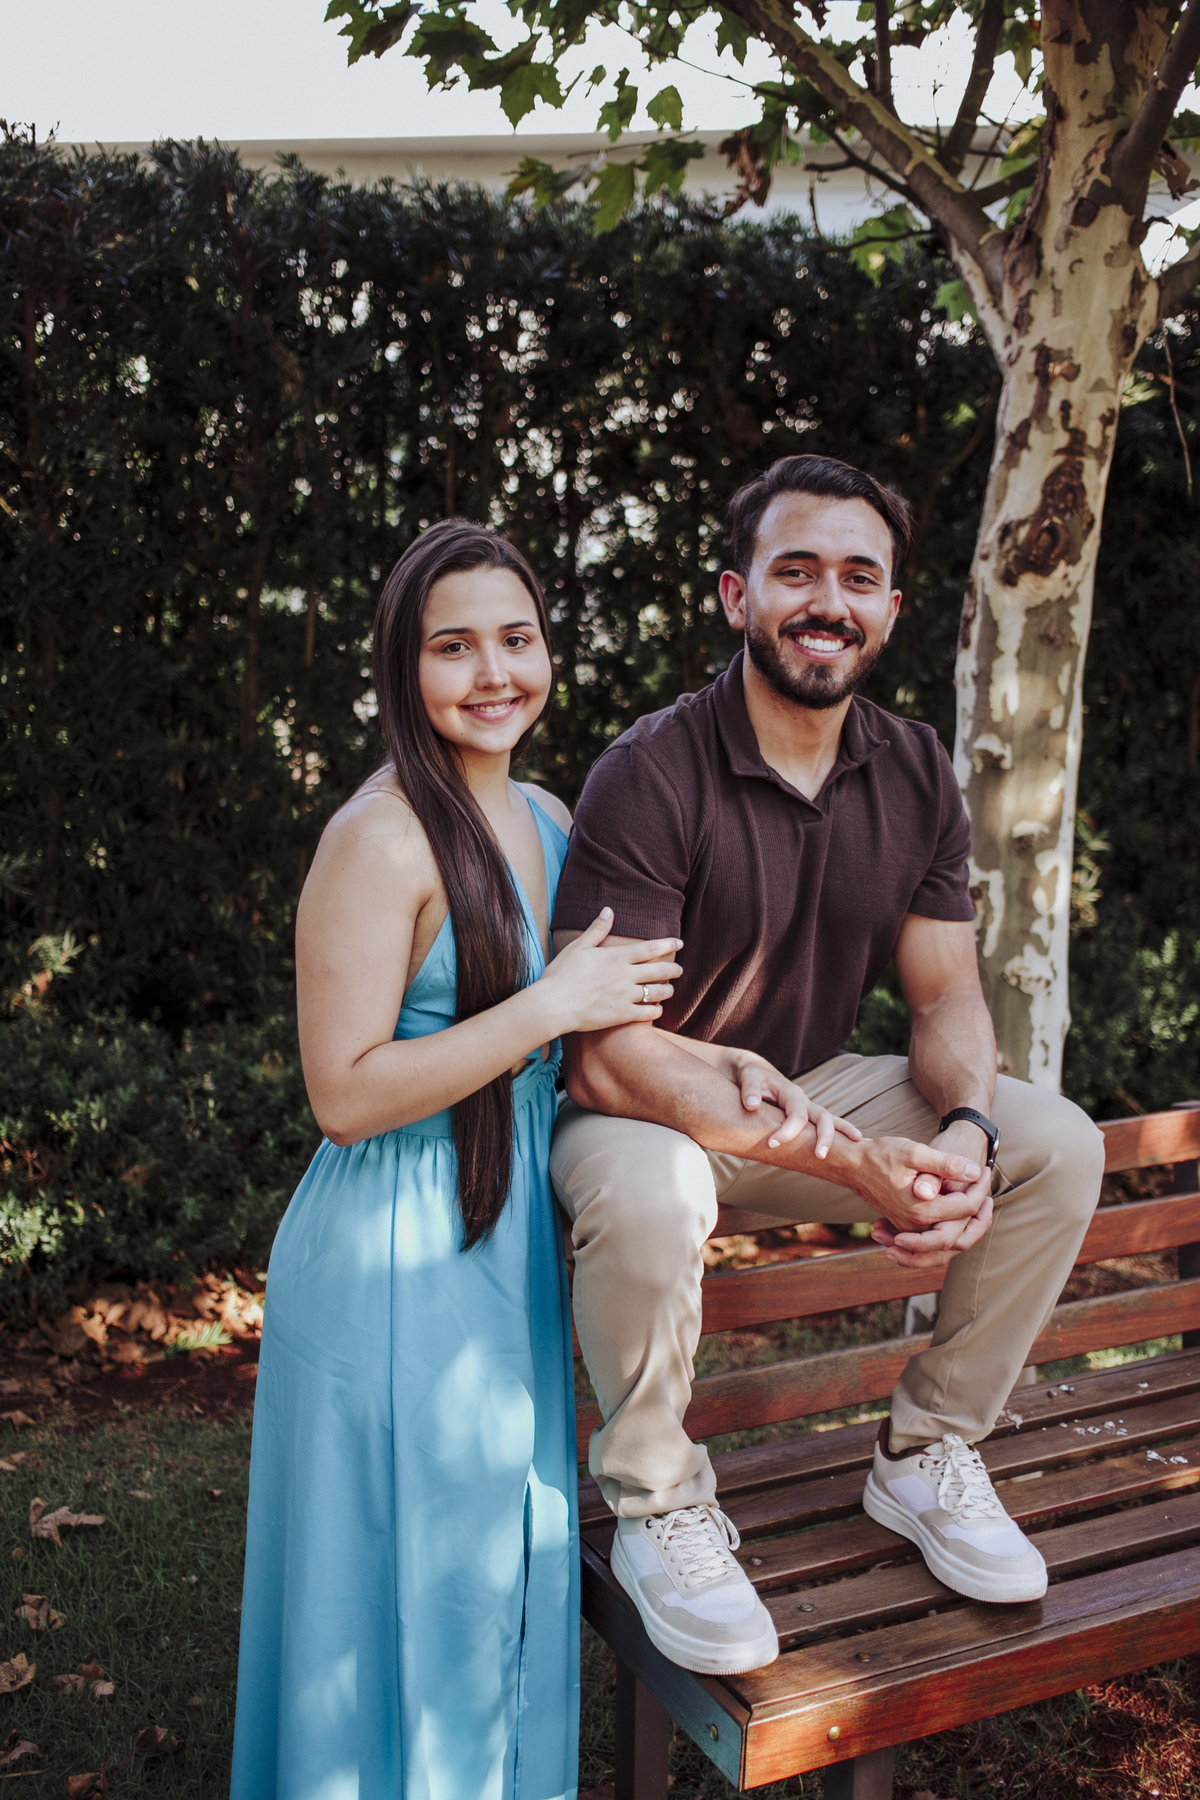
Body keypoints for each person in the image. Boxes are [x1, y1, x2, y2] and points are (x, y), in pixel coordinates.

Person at [548, 454, 1106, 1679]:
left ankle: (926, 1453)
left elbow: (946, 993)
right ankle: (657, 1503)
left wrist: (964, 1133)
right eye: (795, 571)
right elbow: (603, 1054)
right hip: (645, 1108)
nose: (827, 601)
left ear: (890, 610)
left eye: (859, 578)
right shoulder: (651, 769)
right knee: (654, 1183)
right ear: (735, 595)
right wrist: (859, 1166)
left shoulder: (912, 767)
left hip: (805, 1090)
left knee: (1055, 1143)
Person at [230, 519, 684, 1800]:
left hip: (512, 1224)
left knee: (494, 1563)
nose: (494, 673)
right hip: (395, 1247)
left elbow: (608, 1024)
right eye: (454, 647)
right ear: (402, 665)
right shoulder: (378, 839)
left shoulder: (550, 813)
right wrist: (549, 1006)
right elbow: (343, 1093)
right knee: (405, 1575)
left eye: (516, 639)